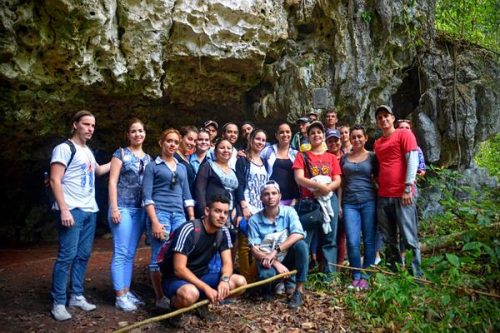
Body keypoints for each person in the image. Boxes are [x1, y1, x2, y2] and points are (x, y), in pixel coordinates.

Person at [49, 110, 110, 321]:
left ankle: (76, 295)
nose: (90, 129)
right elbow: (55, 180)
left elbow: (99, 171)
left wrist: (120, 158)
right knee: (67, 256)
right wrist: (64, 209)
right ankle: (58, 302)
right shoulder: (64, 148)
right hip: (72, 209)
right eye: (86, 124)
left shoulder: (87, 151)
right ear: (75, 125)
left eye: (93, 125)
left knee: (83, 256)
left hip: (89, 209)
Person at [161, 195, 247, 327]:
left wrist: (224, 280)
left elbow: (228, 263)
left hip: (203, 275)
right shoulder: (189, 230)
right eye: (217, 211)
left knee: (239, 282)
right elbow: (179, 269)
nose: (222, 216)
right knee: (190, 294)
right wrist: (206, 288)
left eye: (225, 212)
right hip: (176, 280)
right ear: (207, 211)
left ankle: (201, 304)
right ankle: (175, 307)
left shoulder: (223, 231)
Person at [142, 128, 196, 310]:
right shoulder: (152, 166)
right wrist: (155, 222)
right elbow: (147, 197)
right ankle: (159, 297)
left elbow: (187, 195)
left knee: (180, 253)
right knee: (159, 256)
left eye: (175, 142)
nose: (172, 144)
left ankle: (177, 292)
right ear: (161, 143)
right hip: (160, 213)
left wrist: (192, 219)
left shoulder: (181, 167)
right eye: (169, 141)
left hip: (179, 215)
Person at [108, 118, 152, 311]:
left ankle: (126, 292)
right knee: (121, 252)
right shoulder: (121, 154)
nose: (137, 134)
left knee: (130, 254)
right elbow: (112, 181)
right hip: (123, 208)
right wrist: (114, 208)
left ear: (145, 134)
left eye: (140, 131)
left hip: (140, 210)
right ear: (128, 134)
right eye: (133, 131)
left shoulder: (149, 159)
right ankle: (119, 296)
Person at [373, 105, 422, 277]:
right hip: (384, 195)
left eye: (386, 116)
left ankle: (415, 274)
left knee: (408, 236)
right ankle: (394, 273)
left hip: (403, 195)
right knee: (389, 238)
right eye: (380, 117)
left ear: (393, 118)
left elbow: (412, 160)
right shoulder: (378, 143)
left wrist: (408, 187)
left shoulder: (404, 134)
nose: (383, 119)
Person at [248, 181, 308, 309]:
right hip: (267, 262)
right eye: (266, 194)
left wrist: (275, 251)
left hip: (286, 256)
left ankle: (298, 290)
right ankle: (272, 286)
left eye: (274, 193)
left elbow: (299, 234)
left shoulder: (289, 212)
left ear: (280, 196)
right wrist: (275, 262)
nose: (270, 197)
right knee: (266, 276)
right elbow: (254, 250)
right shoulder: (254, 220)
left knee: (301, 246)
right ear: (261, 197)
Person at [293, 121, 342, 275]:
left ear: (323, 135)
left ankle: (329, 276)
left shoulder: (331, 157)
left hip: (329, 199)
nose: (316, 135)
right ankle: (301, 276)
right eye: (312, 133)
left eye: (319, 132)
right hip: (310, 201)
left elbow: (338, 180)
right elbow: (299, 178)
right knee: (306, 238)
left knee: (330, 238)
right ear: (308, 136)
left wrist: (326, 188)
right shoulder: (302, 156)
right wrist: (319, 187)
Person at [340, 125, 378, 290]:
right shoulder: (344, 158)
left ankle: (366, 275)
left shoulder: (372, 157)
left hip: (369, 201)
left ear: (365, 138)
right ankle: (356, 275)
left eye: (359, 136)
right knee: (353, 241)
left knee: (369, 240)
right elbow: (341, 183)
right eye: (353, 137)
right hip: (349, 203)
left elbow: (378, 178)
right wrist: (340, 203)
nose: (356, 139)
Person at [236, 129, 269, 281]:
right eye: (258, 139)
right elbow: (240, 184)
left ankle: (254, 277)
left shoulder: (264, 162)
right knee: (244, 244)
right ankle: (245, 279)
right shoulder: (243, 159)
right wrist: (244, 207)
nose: (260, 142)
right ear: (251, 140)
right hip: (248, 206)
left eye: (263, 140)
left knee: (260, 243)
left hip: (262, 208)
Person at [261, 122, 299, 207]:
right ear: (276, 135)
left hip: (291, 200)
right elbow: (255, 162)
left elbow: (298, 178)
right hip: (270, 200)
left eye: (287, 132)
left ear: (291, 134)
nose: (285, 134)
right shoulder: (267, 151)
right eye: (281, 132)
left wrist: (295, 199)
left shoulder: (296, 154)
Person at [325, 128, 346, 268]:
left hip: (347, 197)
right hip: (329, 197)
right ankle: (327, 264)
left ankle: (340, 262)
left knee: (342, 232)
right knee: (329, 231)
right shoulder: (324, 157)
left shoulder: (346, 156)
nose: (333, 143)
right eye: (330, 141)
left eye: (336, 140)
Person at [175, 126, 198, 192]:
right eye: (190, 139)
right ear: (181, 138)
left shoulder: (187, 158)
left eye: (195, 141)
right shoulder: (174, 157)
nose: (192, 143)